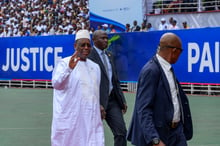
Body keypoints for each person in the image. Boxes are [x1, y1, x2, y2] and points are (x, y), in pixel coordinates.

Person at [127, 32, 193, 146]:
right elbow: (143, 108)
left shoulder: (168, 68)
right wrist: (154, 139)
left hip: (176, 132)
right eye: (180, 51)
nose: (180, 55)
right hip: (160, 134)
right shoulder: (151, 71)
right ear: (174, 51)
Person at [51, 29, 104, 146]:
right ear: (75, 46)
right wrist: (68, 69)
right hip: (71, 118)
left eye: (88, 45)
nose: (86, 48)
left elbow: (94, 91)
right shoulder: (64, 63)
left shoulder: (95, 67)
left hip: (91, 117)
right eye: (82, 45)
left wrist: (98, 105)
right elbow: (56, 84)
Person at [88, 30, 128, 146]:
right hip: (95, 102)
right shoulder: (89, 56)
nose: (106, 40)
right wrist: (96, 102)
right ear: (94, 40)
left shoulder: (109, 56)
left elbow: (115, 80)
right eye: (102, 38)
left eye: (106, 38)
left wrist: (122, 100)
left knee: (121, 132)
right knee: (91, 135)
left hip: (112, 101)